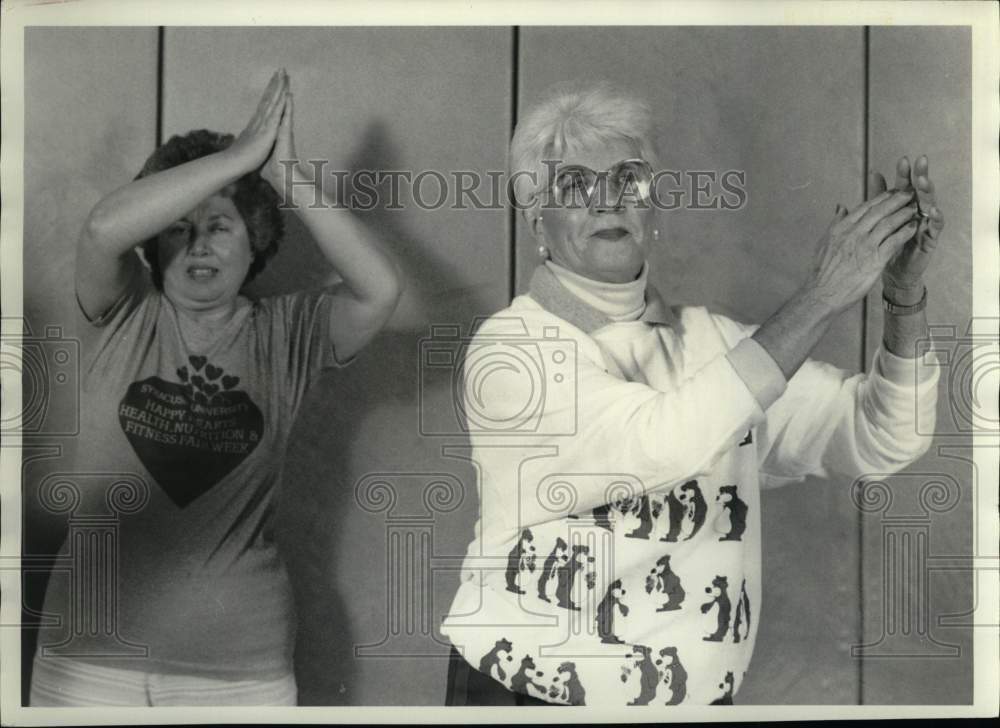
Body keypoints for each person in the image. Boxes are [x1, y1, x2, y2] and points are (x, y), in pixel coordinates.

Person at [440, 83, 942, 706]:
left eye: (628, 178)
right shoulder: (510, 350)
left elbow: (883, 435)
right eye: (573, 185)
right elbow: (662, 441)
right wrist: (821, 297)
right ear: (535, 219)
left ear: (652, 207)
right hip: (530, 698)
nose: (607, 200)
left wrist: (903, 298)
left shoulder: (713, 343)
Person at [30, 69, 402, 706]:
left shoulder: (289, 332)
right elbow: (100, 230)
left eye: (221, 225)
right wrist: (236, 159)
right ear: (155, 244)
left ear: (255, 240)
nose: (199, 245)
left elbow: (380, 289)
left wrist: (285, 176)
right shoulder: (121, 307)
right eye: (180, 227)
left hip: (239, 674)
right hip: (86, 661)